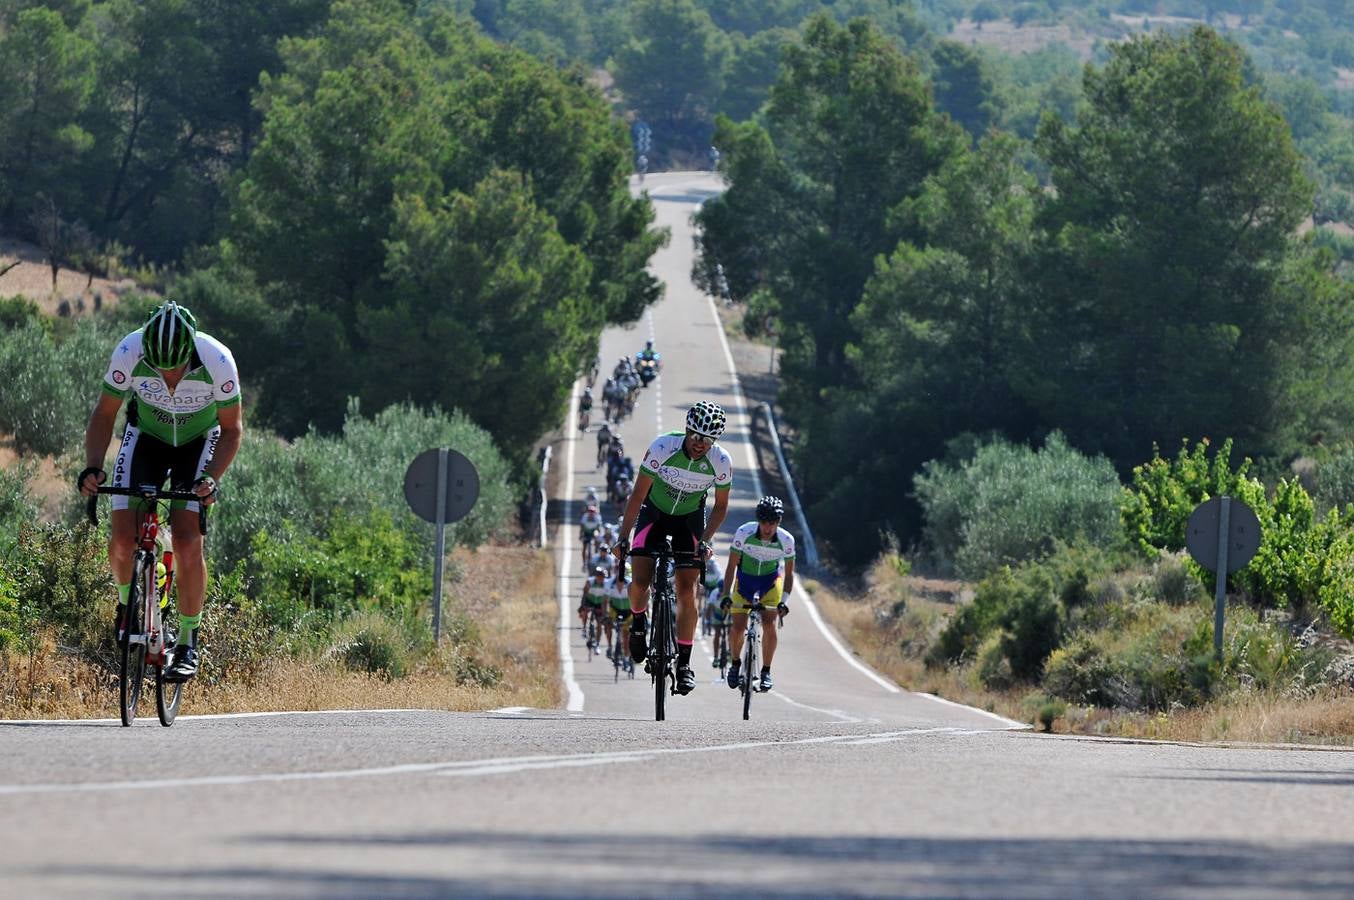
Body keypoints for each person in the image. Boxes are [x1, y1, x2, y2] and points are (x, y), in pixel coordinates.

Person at [78, 300, 243, 682]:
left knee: (187, 539)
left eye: (176, 368)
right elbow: (105, 414)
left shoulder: (218, 360)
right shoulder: (129, 350)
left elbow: (232, 430)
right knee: (121, 538)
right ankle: (127, 603)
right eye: (160, 368)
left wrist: (212, 479)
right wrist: (92, 466)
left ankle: (187, 640)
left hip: (199, 442)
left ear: (191, 350)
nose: (169, 376)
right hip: (146, 438)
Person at [613, 401, 732, 695]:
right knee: (640, 580)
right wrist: (623, 537)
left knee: (687, 591)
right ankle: (639, 621)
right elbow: (638, 496)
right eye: (696, 436)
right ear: (688, 430)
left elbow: (719, 508)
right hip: (654, 515)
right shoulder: (663, 448)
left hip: (688, 522)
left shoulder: (721, 461)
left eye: (707, 439)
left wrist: (705, 541)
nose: (700, 444)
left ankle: (684, 664)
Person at [721, 496, 795, 692]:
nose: (767, 528)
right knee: (738, 626)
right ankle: (735, 664)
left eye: (772, 523)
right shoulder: (744, 532)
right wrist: (725, 595)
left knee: (770, 624)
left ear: (778, 523)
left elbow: (789, 575)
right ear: (758, 521)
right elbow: (730, 566)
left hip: (769, 583)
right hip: (744, 581)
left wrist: (784, 602)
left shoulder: (786, 540)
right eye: (764, 523)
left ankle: (766, 671)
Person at [578, 566, 608, 648]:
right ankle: (584, 628)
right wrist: (582, 605)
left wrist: (605, 613)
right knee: (584, 612)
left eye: (602, 577)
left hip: (599, 603)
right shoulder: (589, 582)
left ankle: (597, 643)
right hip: (589, 601)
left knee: (599, 623)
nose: (600, 579)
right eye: (599, 577)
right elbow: (584, 594)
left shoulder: (607, 584)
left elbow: (607, 600)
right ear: (596, 576)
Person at [579, 502, 603, 567]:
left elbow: (598, 528)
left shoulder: (597, 517)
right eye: (590, 511)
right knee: (584, 547)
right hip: (586, 532)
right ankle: (584, 563)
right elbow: (582, 526)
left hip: (593, 532)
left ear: (595, 512)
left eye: (592, 511)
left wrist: (599, 537)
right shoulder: (585, 516)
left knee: (597, 538)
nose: (591, 512)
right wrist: (581, 534)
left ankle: (596, 552)